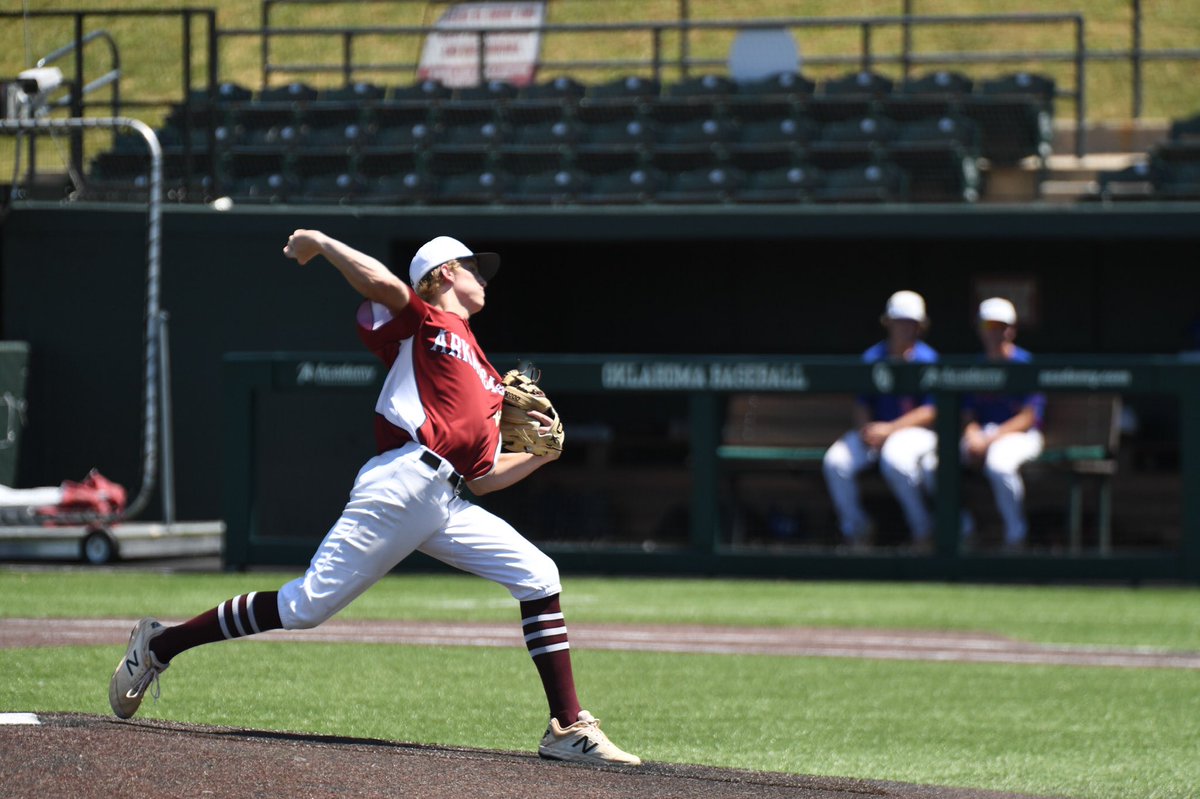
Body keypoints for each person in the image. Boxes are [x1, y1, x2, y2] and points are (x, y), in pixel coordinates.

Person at [108, 231, 641, 766]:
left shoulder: (486, 372)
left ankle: (568, 728)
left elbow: (481, 477)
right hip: (403, 481)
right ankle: (159, 645)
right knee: (305, 606)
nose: (484, 277)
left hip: (448, 499)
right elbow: (383, 284)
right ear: (444, 273)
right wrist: (322, 243)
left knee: (538, 575)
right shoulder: (423, 323)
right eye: (474, 267)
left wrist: (541, 458)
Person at [822, 290, 939, 548]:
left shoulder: (928, 359)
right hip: (878, 433)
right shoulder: (873, 357)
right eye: (900, 321)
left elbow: (930, 412)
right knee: (835, 461)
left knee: (895, 460)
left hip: (916, 434)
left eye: (912, 323)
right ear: (888, 322)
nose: (906, 328)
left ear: (920, 326)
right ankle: (858, 529)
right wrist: (866, 431)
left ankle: (923, 532)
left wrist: (890, 430)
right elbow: (862, 404)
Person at [955, 297, 1046, 550]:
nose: (995, 333)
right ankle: (964, 530)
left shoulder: (1025, 364)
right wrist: (973, 434)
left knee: (998, 465)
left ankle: (1016, 537)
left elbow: (1028, 418)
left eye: (1001, 327)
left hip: (1022, 435)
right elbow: (968, 414)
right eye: (988, 327)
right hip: (983, 435)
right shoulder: (977, 366)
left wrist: (988, 439)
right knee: (936, 465)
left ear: (1012, 330)